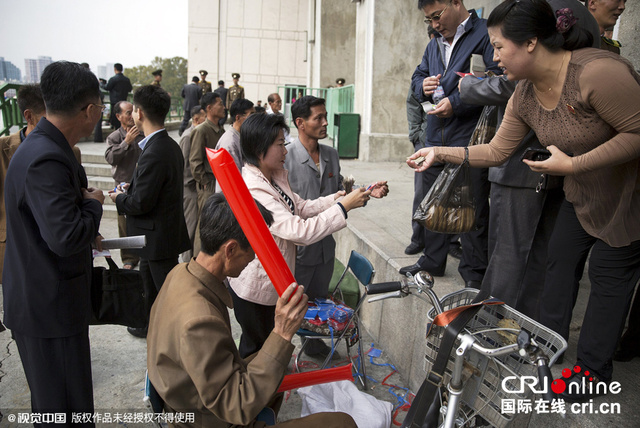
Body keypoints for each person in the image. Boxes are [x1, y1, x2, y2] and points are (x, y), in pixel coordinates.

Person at [407, 0, 640, 402]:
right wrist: (440, 154)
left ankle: (592, 372)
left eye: (498, 47)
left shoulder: (598, 72)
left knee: (606, 276)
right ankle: (545, 353)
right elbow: (496, 152)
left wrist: (574, 164)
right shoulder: (525, 94)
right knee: (558, 263)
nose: (493, 57)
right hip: (581, 190)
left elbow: (637, 132)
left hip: (628, 196)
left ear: (531, 42)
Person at [147, 193, 357, 428]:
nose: (255, 257)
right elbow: (236, 407)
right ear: (230, 249)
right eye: (253, 249)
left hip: (194, 395)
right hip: (210, 418)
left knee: (276, 369)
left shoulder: (180, 272)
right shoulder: (200, 321)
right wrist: (282, 333)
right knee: (341, 422)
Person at [3, 61, 105, 424]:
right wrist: (94, 205)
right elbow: (65, 238)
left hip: (44, 301)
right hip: (49, 308)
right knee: (64, 409)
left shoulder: (42, 145)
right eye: (101, 108)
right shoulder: (46, 157)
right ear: (90, 110)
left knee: (56, 404)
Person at [228, 113, 371, 358]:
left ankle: (265, 389)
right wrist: (344, 207)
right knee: (258, 352)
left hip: (273, 281)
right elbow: (299, 231)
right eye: (280, 145)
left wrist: (337, 198)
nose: (286, 150)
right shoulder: (255, 187)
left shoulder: (272, 177)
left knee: (266, 349)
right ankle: (254, 394)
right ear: (260, 149)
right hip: (256, 286)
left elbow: (300, 207)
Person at [400, 0, 501, 289]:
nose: (434, 25)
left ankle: (474, 270)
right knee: (433, 202)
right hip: (435, 136)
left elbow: (497, 81)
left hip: (470, 137)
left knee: (473, 205)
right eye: (429, 20)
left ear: (456, 3)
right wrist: (424, 87)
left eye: (437, 16)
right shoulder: (434, 45)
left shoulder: (486, 33)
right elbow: (417, 76)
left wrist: (455, 103)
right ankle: (432, 261)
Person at [284, 96, 388, 359]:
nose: (325, 122)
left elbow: (340, 195)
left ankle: (313, 343)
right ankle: (281, 350)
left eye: (325, 116)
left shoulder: (330, 154)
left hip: (325, 246)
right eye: (318, 118)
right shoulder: (285, 157)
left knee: (319, 297)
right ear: (300, 123)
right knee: (293, 302)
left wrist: (366, 192)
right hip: (299, 246)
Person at [110, 85, 190, 338]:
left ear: (140, 113)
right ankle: (148, 324)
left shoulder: (155, 151)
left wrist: (119, 197)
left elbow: (141, 203)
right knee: (149, 285)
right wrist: (130, 188)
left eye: (133, 110)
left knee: (167, 292)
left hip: (157, 239)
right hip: (156, 238)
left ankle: (175, 337)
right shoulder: (165, 145)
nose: (132, 114)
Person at [1, 84, 46, 279]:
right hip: (11, 243)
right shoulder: (2, 148)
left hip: (50, 244)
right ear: (29, 116)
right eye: (49, 115)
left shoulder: (71, 150)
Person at [104, 100, 144, 269]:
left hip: (141, 184)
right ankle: (128, 258)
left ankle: (144, 254)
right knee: (124, 224)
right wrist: (126, 142)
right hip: (122, 186)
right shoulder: (114, 137)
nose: (131, 116)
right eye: (127, 113)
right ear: (118, 116)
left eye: (132, 111)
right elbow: (111, 158)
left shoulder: (143, 134)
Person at [189, 92, 226, 255]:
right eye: (219, 103)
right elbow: (195, 159)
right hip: (208, 183)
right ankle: (198, 257)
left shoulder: (221, 130)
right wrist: (202, 181)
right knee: (204, 223)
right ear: (209, 108)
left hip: (219, 181)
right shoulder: (202, 130)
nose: (223, 107)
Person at [179, 106, 207, 263]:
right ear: (196, 120)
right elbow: (184, 166)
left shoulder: (198, 134)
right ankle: (185, 264)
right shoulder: (188, 136)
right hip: (189, 188)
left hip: (196, 187)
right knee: (190, 228)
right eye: (204, 117)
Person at [214, 97, 255, 181]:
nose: (254, 120)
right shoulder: (229, 142)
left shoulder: (241, 137)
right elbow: (234, 178)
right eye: (251, 115)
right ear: (238, 118)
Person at [103, 63, 132, 129]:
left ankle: (114, 127)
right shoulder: (126, 79)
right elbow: (130, 89)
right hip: (123, 101)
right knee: (123, 114)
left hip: (114, 101)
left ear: (115, 69)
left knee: (115, 115)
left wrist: (101, 84)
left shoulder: (113, 79)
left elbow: (107, 87)